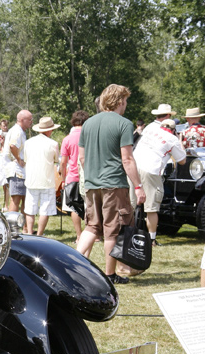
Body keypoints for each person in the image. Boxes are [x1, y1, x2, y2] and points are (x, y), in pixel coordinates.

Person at [77, 84, 145, 285]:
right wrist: (139, 187)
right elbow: (127, 160)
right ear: (120, 101)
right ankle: (110, 274)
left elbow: (82, 157)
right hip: (114, 184)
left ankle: (71, 265)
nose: (125, 105)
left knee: (91, 226)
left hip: (91, 183)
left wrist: (93, 174)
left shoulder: (88, 123)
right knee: (112, 230)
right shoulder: (124, 124)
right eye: (125, 101)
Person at [132, 117, 186, 246]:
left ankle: (128, 235)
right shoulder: (172, 139)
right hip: (151, 170)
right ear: (173, 130)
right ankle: (151, 239)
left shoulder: (149, 130)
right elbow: (182, 160)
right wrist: (180, 141)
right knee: (151, 207)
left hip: (134, 165)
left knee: (131, 204)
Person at [23, 116, 61, 236]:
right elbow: (56, 160)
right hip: (47, 180)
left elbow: (25, 159)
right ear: (49, 130)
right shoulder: (53, 144)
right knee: (45, 209)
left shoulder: (28, 143)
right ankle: (39, 234)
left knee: (30, 208)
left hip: (31, 179)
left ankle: (29, 232)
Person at [59, 110, 89, 240]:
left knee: (75, 207)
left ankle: (79, 235)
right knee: (90, 206)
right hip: (88, 175)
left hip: (72, 176)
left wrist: (63, 179)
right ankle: (93, 233)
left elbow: (63, 162)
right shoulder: (89, 136)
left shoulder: (67, 139)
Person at [0, 110, 33, 213]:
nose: (31, 122)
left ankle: (24, 226)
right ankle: (13, 226)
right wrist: (19, 159)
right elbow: (12, 146)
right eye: (30, 119)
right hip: (16, 170)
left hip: (18, 171)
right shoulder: (17, 131)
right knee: (16, 199)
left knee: (22, 198)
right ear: (22, 120)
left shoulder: (19, 131)